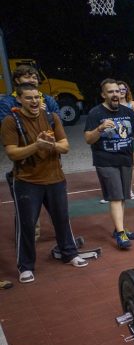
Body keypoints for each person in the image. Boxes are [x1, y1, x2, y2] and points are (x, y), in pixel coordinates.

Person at [2, 83, 88, 283]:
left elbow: (65, 146)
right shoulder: (10, 121)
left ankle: (70, 253)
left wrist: (50, 145)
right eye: (29, 98)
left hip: (55, 178)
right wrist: (36, 145)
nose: (34, 101)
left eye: (37, 97)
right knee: (27, 225)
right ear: (19, 99)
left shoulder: (52, 117)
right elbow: (12, 152)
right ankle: (26, 266)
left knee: (62, 218)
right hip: (26, 181)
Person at [84, 79, 134, 249]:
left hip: (125, 159)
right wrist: (100, 128)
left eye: (117, 91)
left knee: (123, 196)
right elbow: (88, 138)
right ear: (103, 95)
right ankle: (120, 234)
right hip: (105, 161)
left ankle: (119, 228)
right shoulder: (95, 113)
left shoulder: (127, 111)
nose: (115, 94)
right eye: (110, 92)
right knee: (116, 196)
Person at [117, 81, 134, 201]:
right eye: (119, 89)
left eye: (123, 89)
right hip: (116, 139)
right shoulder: (111, 105)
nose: (121, 91)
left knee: (131, 165)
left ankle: (128, 190)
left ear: (127, 91)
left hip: (132, 138)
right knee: (115, 166)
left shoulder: (132, 104)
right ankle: (114, 191)